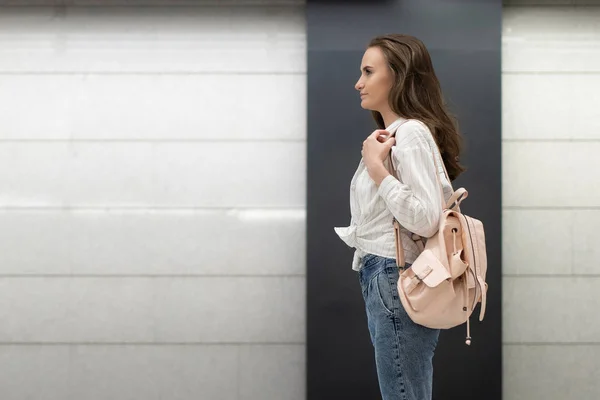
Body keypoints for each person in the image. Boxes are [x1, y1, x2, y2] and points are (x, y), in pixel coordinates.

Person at [334, 34, 465, 400]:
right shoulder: (394, 135)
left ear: (398, 76)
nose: (358, 82)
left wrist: (378, 170)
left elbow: (424, 219)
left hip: (395, 274)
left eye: (368, 71)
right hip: (384, 274)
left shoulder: (410, 133)